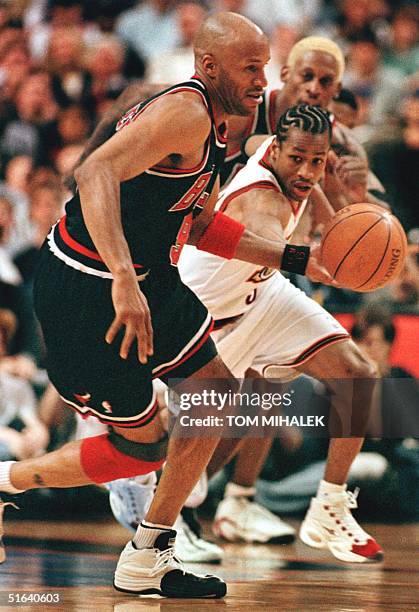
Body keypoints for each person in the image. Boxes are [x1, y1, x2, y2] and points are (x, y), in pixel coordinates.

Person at [0, 12, 335, 599]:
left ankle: (151, 551)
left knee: (219, 393)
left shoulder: (219, 122)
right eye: (249, 67)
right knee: (141, 445)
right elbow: (94, 169)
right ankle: (10, 479)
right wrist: (123, 281)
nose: (263, 78)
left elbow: (200, 221)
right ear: (209, 67)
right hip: (87, 286)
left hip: (146, 275)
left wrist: (299, 260)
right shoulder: (184, 110)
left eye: (264, 65)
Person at [66, 35, 390, 550]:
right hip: (208, 302)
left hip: (263, 293)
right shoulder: (236, 122)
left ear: (336, 91)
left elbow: (363, 227)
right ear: (286, 74)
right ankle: (154, 506)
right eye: (303, 75)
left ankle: (321, 506)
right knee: (184, 449)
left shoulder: (329, 143)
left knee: (354, 376)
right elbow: (140, 103)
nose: (313, 87)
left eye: (325, 81)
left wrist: (356, 207)